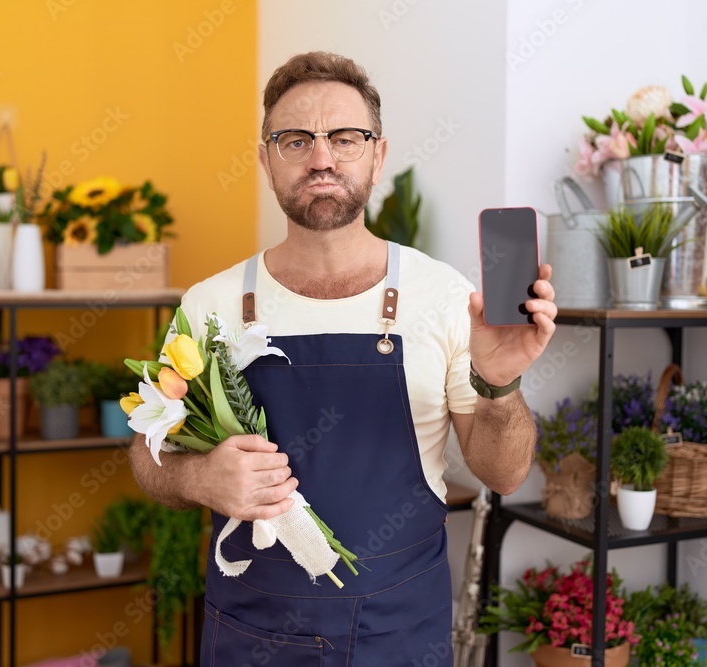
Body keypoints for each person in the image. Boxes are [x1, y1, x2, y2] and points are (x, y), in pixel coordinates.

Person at [130, 51, 557, 665]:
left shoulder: (443, 298)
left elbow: (504, 474)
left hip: (398, 634)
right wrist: (198, 477)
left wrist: (497, 382)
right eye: (295, 139)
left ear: (378, 154)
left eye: (345, 138)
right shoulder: (211, 304)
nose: (322, 158)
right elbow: (147, 456)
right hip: (253, 633)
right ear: (265, 158)